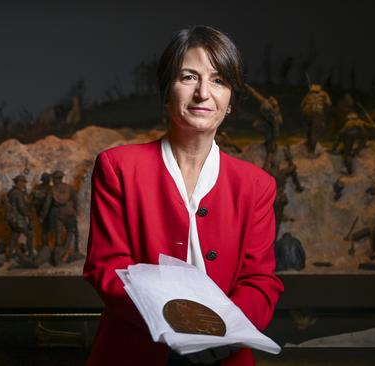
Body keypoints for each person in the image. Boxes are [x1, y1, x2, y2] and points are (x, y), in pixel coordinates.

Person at [83, 26, 284, 366]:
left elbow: (260, 280)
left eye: (219, 81)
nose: (203, 93)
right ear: (166, 92)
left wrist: (222, 331)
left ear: (230, 100)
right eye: (189, 77)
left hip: (226, 352)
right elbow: (107, 267)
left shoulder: (256, 185)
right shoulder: (117, 167)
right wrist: (177, 323)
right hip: (137, 348)